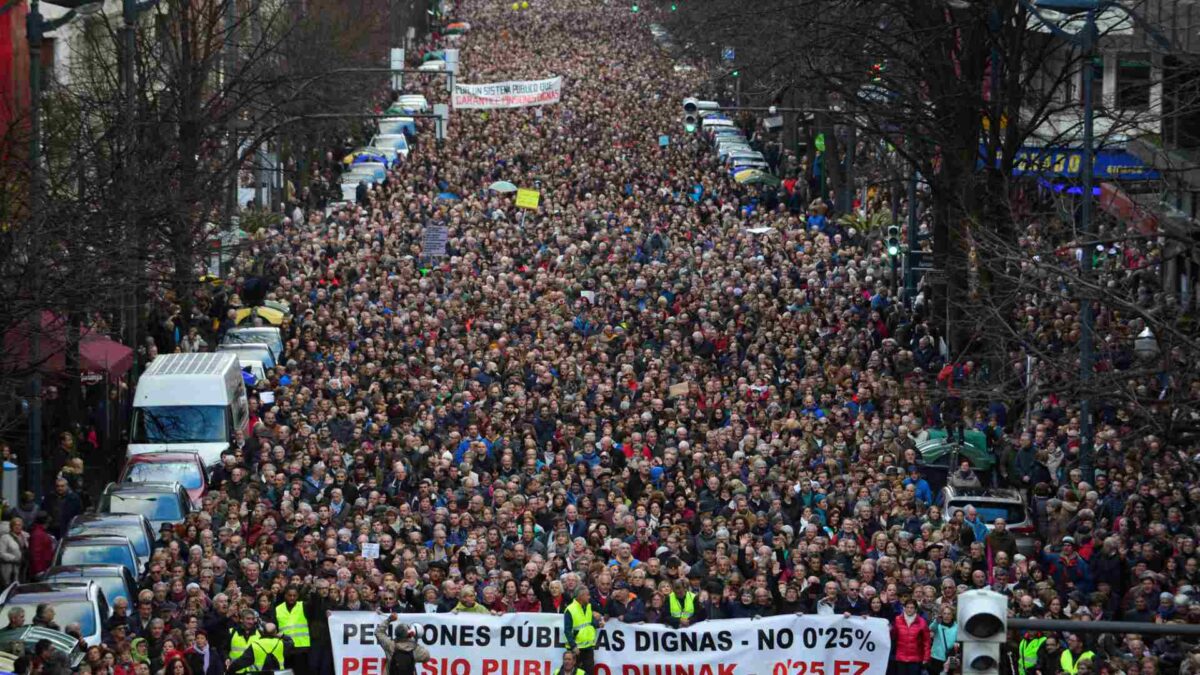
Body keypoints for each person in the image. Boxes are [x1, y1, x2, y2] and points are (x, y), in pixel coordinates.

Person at [563, 587, 601, 675]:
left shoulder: (588, 606)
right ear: (581, 596)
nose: (589, 597)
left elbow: (590, 621)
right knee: (574, 672)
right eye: (587, 595)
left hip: (588, 647)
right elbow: (567, 630)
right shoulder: (570, 610)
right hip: (576, 649)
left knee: (589, 672)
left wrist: (598, 624)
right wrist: (573, 646)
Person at [275, 586, 311, 675]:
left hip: (302, 647)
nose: (292, 598)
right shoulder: (277, 609)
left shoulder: (303, 606)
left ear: (297, 596)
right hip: (285, 647)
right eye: (289, 595)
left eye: (294, 595)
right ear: (285, 596)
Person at [890, 599, 930, 675]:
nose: (909, 609)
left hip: (915, 659)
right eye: (907, 607)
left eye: (911, 608)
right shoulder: (897, 619)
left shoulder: (922, 622)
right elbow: (893, 636)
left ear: (915, 609)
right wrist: (891, 629)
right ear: (904, 608)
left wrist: (926, 658)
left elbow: (926, 641)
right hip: (900, 658)